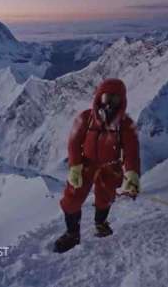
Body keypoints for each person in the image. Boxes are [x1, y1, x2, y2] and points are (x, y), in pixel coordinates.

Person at [54, 78, 141, 253]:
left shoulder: (126, 124)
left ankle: (101, 223)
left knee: (105, 198)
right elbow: (74, 143)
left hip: (110, 167)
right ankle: (72, 234)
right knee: (71, 198)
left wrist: (132, 173)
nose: (109, 103)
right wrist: (75, 166)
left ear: (122, 101)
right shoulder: (85, 118)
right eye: (106, 97)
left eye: (115, 99)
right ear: (99, 97)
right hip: (85, 165)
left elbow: (132, 150)